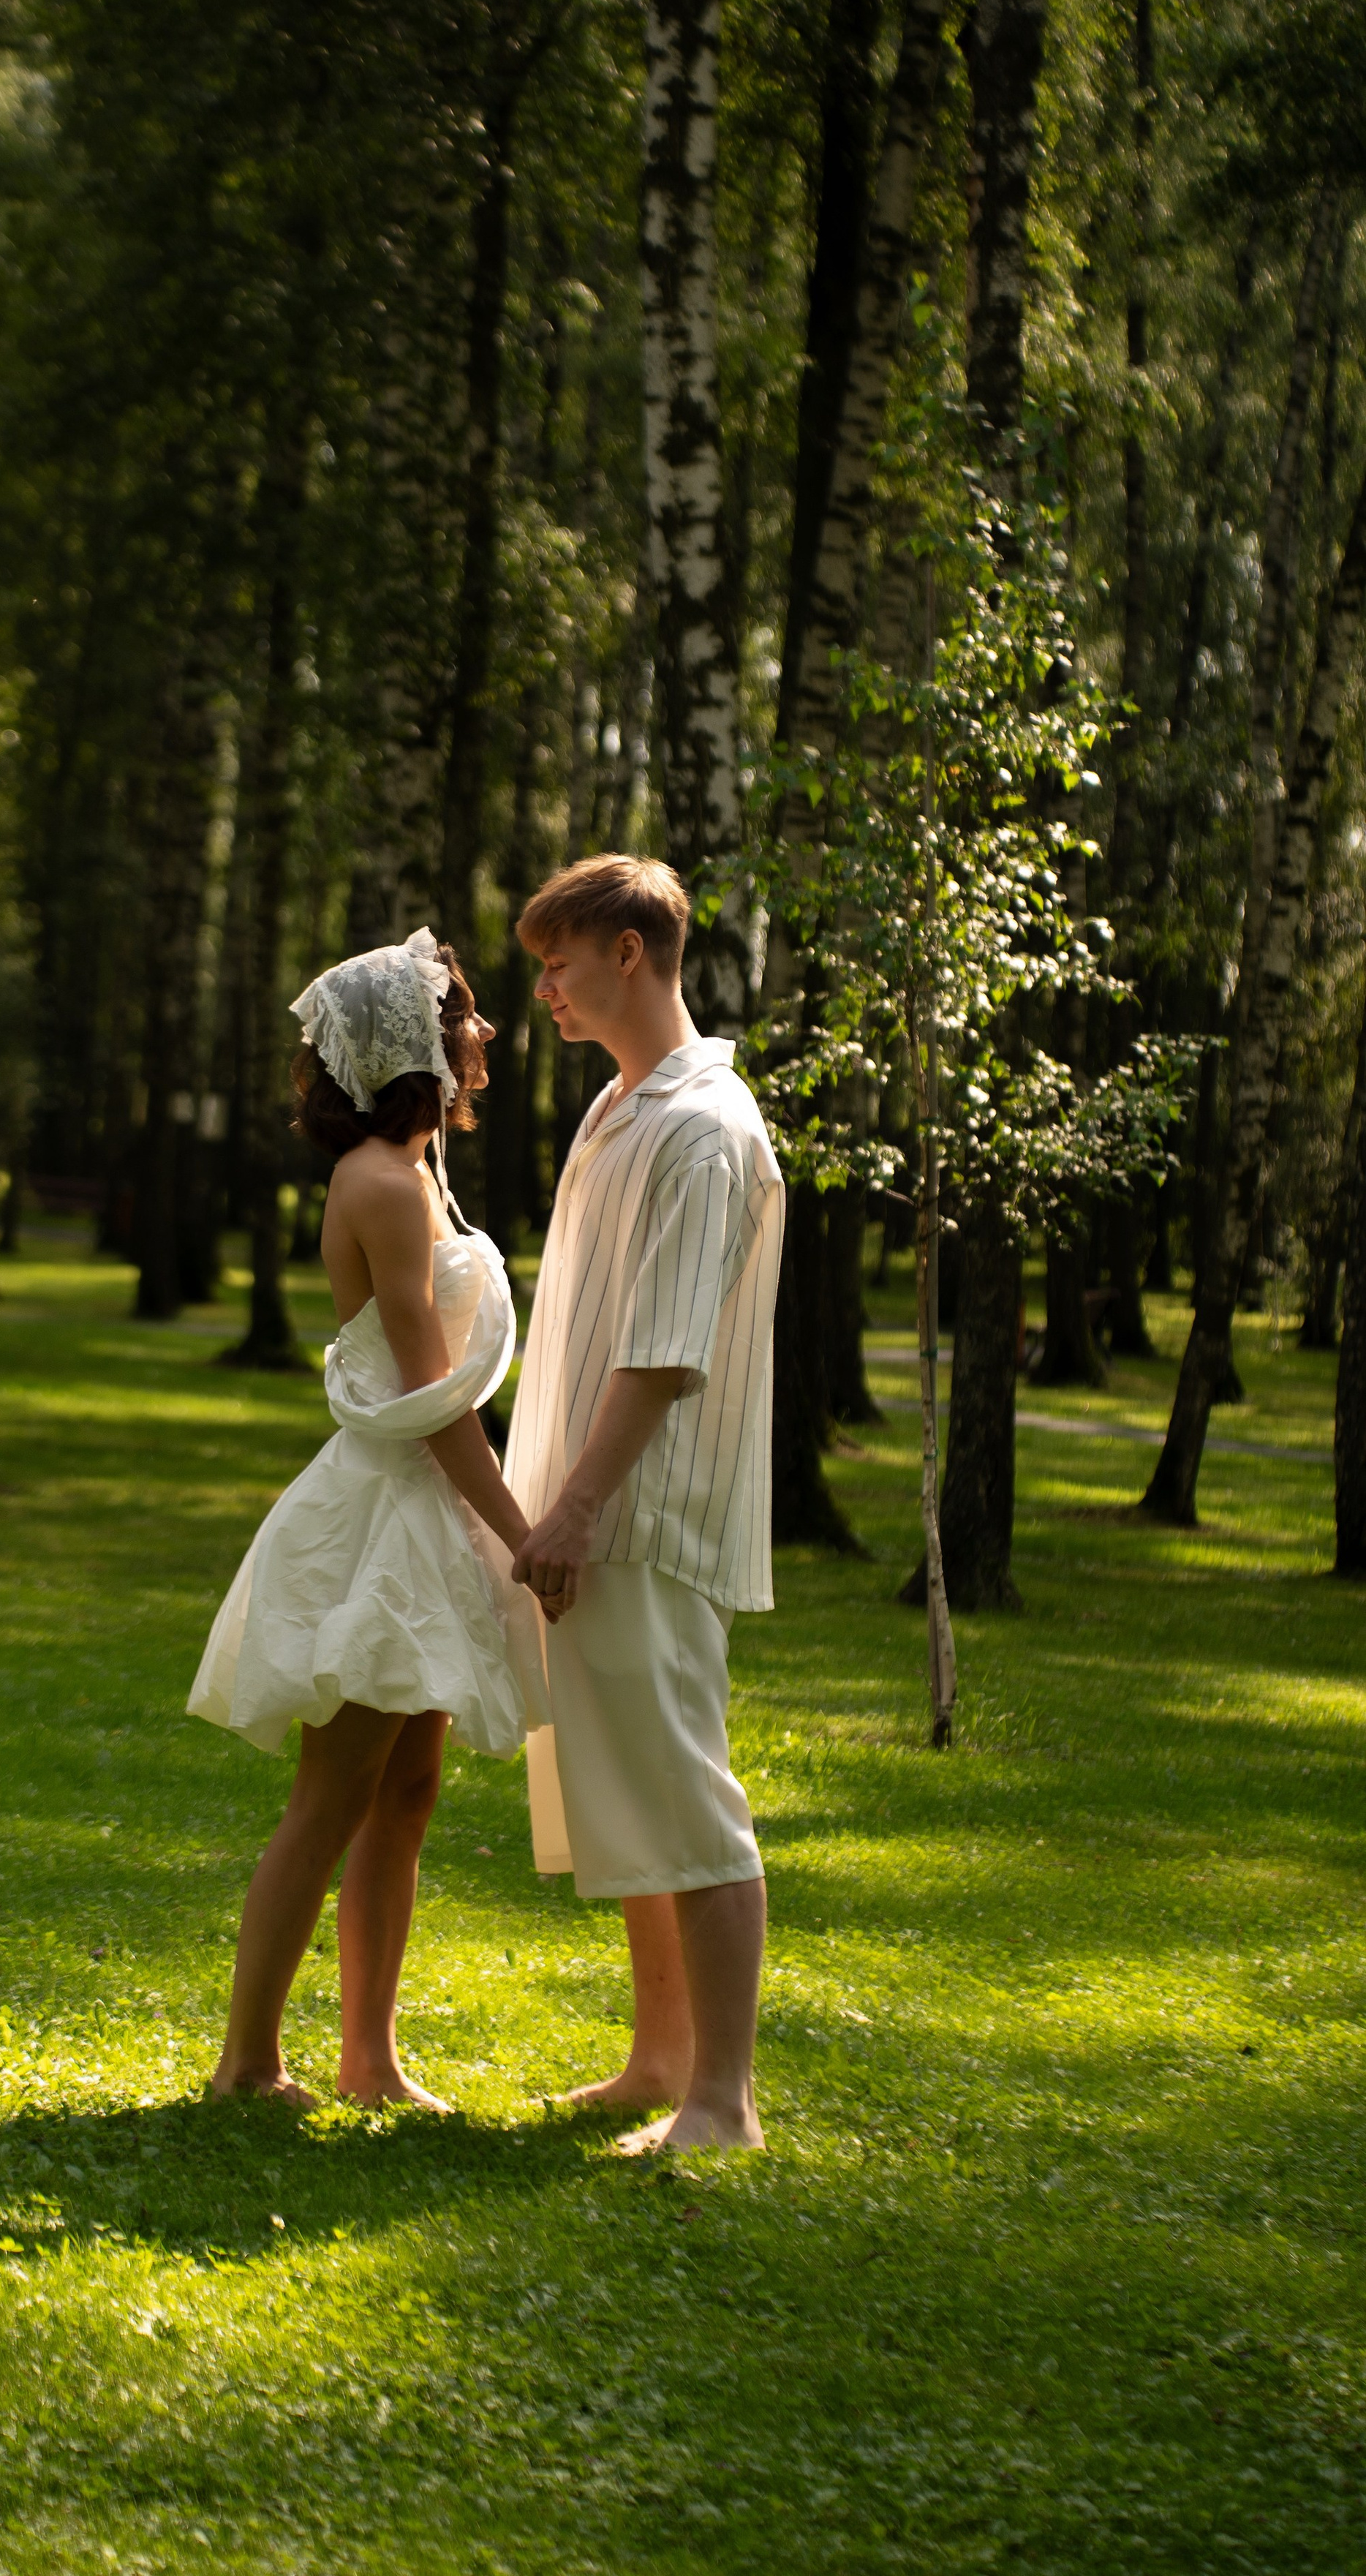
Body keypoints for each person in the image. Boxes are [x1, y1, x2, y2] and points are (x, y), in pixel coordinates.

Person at [189, 928, 546, 2109]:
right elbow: (431, 1395)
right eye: (467, 1019)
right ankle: (248, 2062)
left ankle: (370, 2058)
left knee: (407, 1792)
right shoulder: (386, 1185)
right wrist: (521, 1530)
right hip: (387, 1523)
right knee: (333, 1796)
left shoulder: (419, 1167)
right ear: (417, 1046)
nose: (485, 1034)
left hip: (424, 1517)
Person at [505, 854, 785, 2153]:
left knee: (686, 1792)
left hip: (648, 1514)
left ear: (631, 952)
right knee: (623, 1795)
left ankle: (722, 2101)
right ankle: (659, 2058)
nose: (544, 989)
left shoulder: (703, 1125)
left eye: (559, 960)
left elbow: (669, 1353)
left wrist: (579, 1510)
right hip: (585, 1508)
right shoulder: (621, 1109)